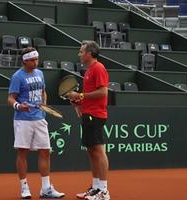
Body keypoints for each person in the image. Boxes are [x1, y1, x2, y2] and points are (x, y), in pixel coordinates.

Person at [7, 47, 65, 199]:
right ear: (25, 61)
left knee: (45, 151)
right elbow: (11, 98)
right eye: (32, 60)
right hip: (23, 120)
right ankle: (24, 187)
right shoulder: (17, 77)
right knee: (22, 152)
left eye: (36, 59)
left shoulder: (40, 73)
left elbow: (43, 91)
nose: (35, 62)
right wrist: (19, 106)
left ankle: (46, 188)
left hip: (39, 118)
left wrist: (44, 104)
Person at [69, 41, 110, 200]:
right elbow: (89, 96)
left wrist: (80, 96)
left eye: (81, 51)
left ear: (89, 53)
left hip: (96, 115)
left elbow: (103, 93)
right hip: (88, 113)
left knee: (98, 151)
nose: (79, 54)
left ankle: (104, 191)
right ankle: (95, 187)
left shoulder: (98, 68)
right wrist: (78, 102)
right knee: (91, 151)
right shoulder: (88, 71)